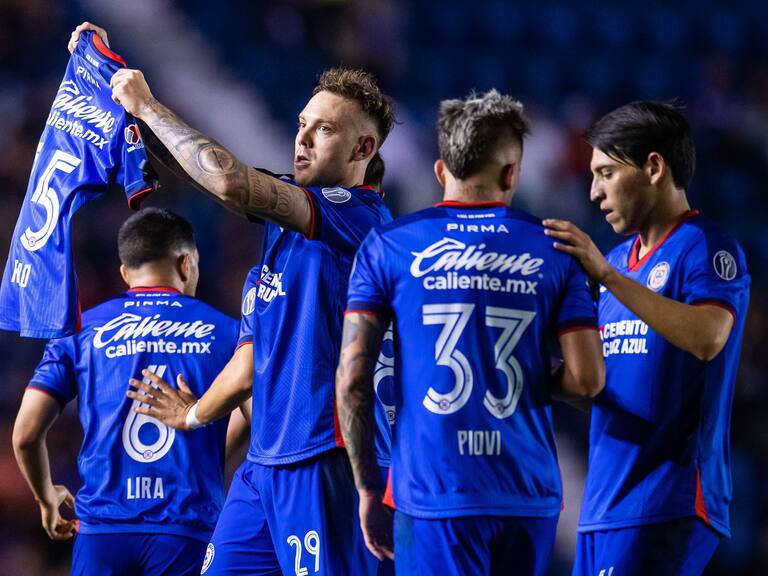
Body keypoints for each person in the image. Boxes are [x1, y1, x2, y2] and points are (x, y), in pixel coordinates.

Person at [68, 18, 395, 575]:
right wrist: (196, 420)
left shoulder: (356, 217)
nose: (302, 137)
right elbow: (251, 363)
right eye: (300, 124)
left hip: (324, 459)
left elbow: (231, 182)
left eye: (323, 129)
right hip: (264, 468)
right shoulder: (283, 236)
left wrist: (147, 105)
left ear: (364, 147)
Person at [336, 90, 605, 575]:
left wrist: (368, 488)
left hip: (431, 494)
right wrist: (519, 377)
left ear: (441, 171)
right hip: (527, 493)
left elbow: (353, 380)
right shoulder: (558, 246)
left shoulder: (388, 245)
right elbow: (588, 380)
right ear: (511, 174)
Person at [543, 101, 751, 576]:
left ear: (654, 166)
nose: (594, 191)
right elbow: (600, 388)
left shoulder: (704, 245)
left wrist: (607, 279)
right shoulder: (616, 261)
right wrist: (534, 375)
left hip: (667, 496)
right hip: (605, 504)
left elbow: (708, 337)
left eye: (606, 173)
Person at [12, 208, 240, 575]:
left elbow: (25, 433)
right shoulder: (229, 333)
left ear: (125, 272)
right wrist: (206, 441)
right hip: (187, 534)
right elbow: (255, 413)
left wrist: (45, 497)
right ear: (186, 264)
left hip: (103, 532)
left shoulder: (80, 331)